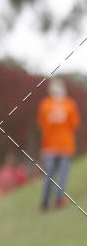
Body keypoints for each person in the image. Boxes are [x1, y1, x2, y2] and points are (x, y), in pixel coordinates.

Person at [37, 77, 81, 209]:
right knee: (54, 175)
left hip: (59, 146)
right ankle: (48, 201)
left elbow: (42, 124)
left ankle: (55, 200)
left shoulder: (48, 104)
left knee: (55, 175)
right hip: (56, 145)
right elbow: (74, 124)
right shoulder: (67, 104)